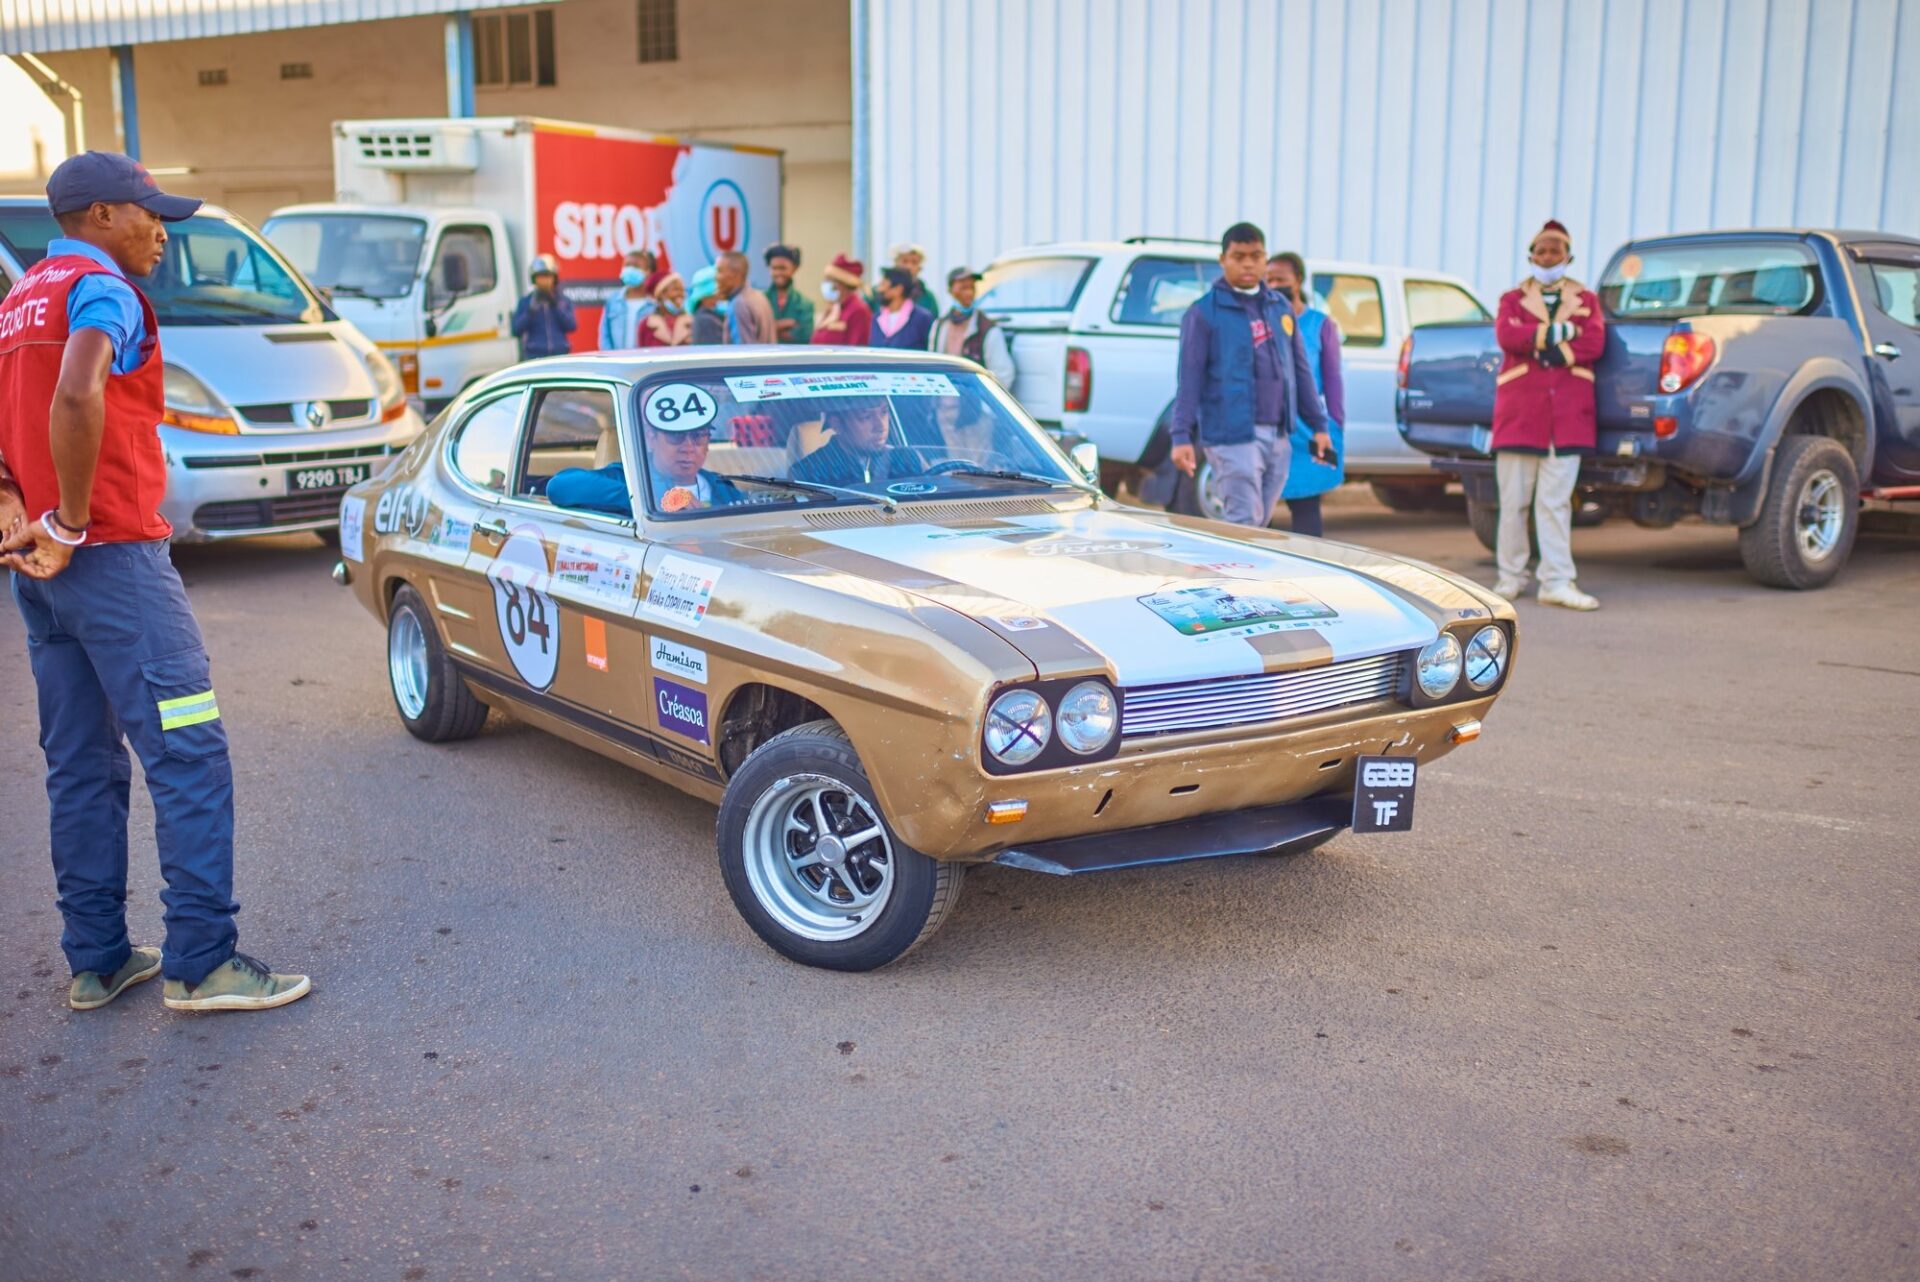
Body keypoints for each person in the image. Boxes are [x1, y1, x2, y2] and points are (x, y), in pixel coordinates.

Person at [0, 152, 309, 1013]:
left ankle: (97, 959)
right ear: (100, 215)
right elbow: (78, 389)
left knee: (80, 766)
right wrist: (66, 517)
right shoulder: (104, 292)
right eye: (148, 213)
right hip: (111, 562)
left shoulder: (19, 297)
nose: (162, 231)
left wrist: (15, 498)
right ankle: (203, 962)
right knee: (189, 754)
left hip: (43, 577)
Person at [1170, 222, 1331, 528]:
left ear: (1265, 259)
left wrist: (1319, 426)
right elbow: (1189, 378)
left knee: (1259, 523)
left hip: (1278, 434)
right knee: (1243, 522)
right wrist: (1180, 436)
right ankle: (1234, 576)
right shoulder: (1204, 313)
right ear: (1223, 260)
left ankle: (1237, 574)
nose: (1247, 263)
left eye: (1255, 256)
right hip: (1231, 434)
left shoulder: (1279, 307)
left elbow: (1300, 371)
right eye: (1238, 256)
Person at [1491, 219, 1605, 610]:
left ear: (1568, 257)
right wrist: (1560, 333)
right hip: (1521, 414)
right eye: (1541, 251)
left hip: (1568, 415)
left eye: (1555, 251)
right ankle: (1509, 576)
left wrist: (1548, 341)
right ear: (1531, 256)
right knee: (1513, 501)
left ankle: (1556, 581)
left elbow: (1595, 340)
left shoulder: (1587, 299)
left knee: (1554, 504)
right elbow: (1508, 335)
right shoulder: (1511, 298)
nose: (1547, 257)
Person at [1266, 252, 1344, 537]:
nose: (1273, 285)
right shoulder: (1263, 320)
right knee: (1262, 509)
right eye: (1269, 279)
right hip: (1270, 425)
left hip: (1308, 428)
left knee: (1306, 505)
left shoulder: (1320, 325)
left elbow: (1333, 381)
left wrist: (1334, 427)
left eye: (1280, 279)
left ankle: (1308, 573)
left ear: (1298, 281)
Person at [547, 417, 744, 518]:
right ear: (652, 438)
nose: (688, 448)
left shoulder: (724, 489)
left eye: (698, 436)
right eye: (676, 436)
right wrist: (649, 500)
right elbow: (560, 486)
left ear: (708, 442)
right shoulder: (631, 477)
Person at [792, 403, 922, 486]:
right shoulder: (809, 473)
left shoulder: (906, 458)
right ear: (836, 424)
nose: (881, 426)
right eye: (866, 417)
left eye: (884, 412)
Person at [930, 266, 1015, 385]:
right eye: (963, 287)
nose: (969, 292)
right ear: (950, 290)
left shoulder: (988, 329)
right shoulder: (939, 326)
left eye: (972, 287)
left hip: (972, 400)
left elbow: (1003, 374)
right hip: (944, 398)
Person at [511, 254, 577, 359]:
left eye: (547, 276)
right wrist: (531, 311)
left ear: (554, 278)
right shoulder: (526, 302)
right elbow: (516, 330)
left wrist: (556, 305)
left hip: (560, 355)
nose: (544, 280)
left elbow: (571, 326)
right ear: (534, 279)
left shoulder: (563, 301)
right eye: (540, 276)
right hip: (535, 355)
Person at [597, 249, 657, 350]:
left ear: (647, 271)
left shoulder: (655, 303)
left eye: (636, 266)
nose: (630, 269)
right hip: (617, 363)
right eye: (627, 265)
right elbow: (604, 336)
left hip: (647, 363)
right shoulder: (613, 301)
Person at [716, 250, 776, 345]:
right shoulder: (759, 296)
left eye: (719, 271)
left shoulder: (739, 304)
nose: (716, 277)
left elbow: (743, 354)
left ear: (735, 274)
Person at [812, 254, 872, 346]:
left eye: (829, 280)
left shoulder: (859, 311)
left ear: (841, 284)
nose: (825, 284)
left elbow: (857, 350)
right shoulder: (834, 308)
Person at [870, 267, 935, 350]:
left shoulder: (922, 319)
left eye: (883, 285)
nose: (879, 290)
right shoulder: (877, 318)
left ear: (898, 289)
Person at [764, 244, 814, 343]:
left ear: (794, 268)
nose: (778, 273)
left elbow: (804, 337)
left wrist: (771, 327)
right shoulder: (761, 300)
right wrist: (788, 323)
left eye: (782, 268)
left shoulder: (805, 304)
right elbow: (756, 332)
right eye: (774, 268)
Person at [867, 242, 933, 311]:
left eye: (914, 262)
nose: (909, 267)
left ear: (919, 268)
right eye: (905, 261)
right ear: (895, 264)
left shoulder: (928, 298)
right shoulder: (876, 293)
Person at [638, 271, 691, 346]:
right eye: (676, 289)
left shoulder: (692, 323)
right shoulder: (646, 325)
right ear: (661, 295)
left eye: (682, 290)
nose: (681, 294)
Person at [687, 266, 728, 345]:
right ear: (706, 296)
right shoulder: (706, 320)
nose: (721, 295)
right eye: (717, 292)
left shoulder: (712, 316)